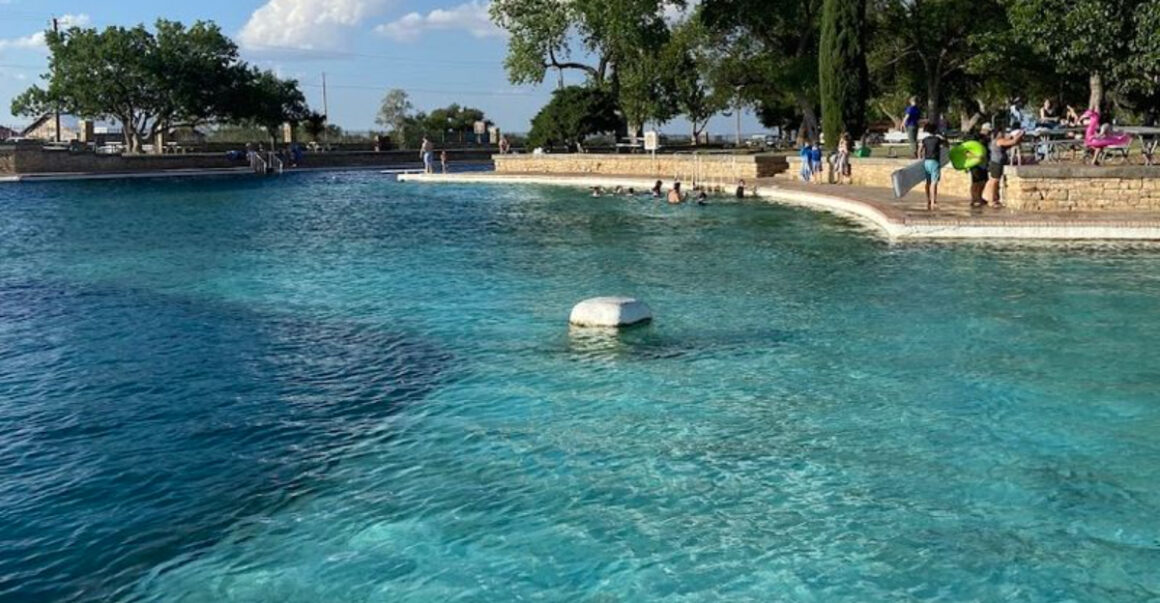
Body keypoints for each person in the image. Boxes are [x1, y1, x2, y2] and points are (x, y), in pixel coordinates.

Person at [984, 127, 1025, 208]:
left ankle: (987, 196)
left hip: (994, 162)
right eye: (1001, 132)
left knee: (992, 181)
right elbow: (1013, 142)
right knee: (995, 181)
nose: (1003, 134)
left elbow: (1011, 144)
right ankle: (991, 200)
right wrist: (1020, 134)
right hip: (997, 163)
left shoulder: (996, 141)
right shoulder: (999, 141)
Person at [920, 122, 945, 211]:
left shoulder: (924, 140)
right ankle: (934, 201)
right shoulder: (938, 139)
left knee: (928, 182)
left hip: (926, 162)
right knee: (934, 182)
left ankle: (928, 199)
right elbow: (946, 144)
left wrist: (920, 158)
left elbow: (920, 150)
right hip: (935, 162)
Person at [966, 124, 992, 207]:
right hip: (975, 162)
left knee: (983, 180)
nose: (990, 133)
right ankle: (975, 199)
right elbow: (969, 149)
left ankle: (978, 197)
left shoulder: (985, 139)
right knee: (976, 181)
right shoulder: (977, 138)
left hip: (982, 162)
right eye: (989, 131)